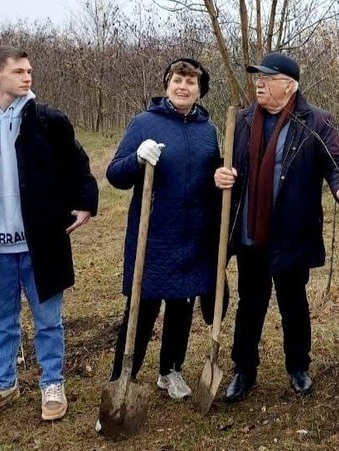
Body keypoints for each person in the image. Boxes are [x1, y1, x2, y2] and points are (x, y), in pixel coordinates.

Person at [0, 45, 98, 421]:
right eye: (18, 71)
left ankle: (52, 383)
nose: (27, 76)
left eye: (29, 70)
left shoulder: (48, 120)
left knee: (48, 319)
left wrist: (85, 202)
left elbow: (77, 165)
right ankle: (2, 383)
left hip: (41, 241)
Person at [214, 52, 339, 403]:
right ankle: (243, 370)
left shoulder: (316, 121)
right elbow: (226, 164)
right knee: (250, 303)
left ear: (289, 85)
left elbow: (335, 161)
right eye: (257, 78)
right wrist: (220, 174)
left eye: (267, 78)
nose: (259, 83)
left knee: (293, 302)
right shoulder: (244, 120)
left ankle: (298, 366)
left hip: (293, 230)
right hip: (251, 231)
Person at [105, 58, 219, 403]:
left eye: (190, 82)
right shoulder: (144, 123)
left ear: (200, 91)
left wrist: (222, 179)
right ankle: (123, 377)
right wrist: (137, 159)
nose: (183, 86)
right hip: (153, 236)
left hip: (193, 235)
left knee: (182, 306)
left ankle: (170, 370)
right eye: (177, 80)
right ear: (167, 85)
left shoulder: (207, 130)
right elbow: (115, 175)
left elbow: (213, 179)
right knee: (142, 308)